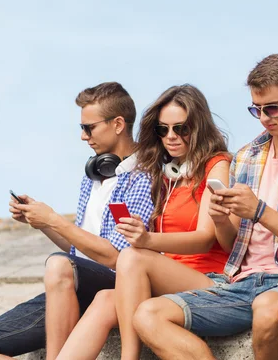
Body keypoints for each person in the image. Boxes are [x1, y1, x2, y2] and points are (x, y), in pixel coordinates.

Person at [129, 53, 278, 360]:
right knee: (147, 315)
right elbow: (233, 243)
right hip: (239, 283)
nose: (263, 117)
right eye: (255, 109)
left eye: (272, 108)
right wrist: (220, 219)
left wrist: (259, 211)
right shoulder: (247, 156)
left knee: (267, 313)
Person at [0, 82, 153, 360]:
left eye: (88, 128)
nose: (83, 136)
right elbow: (78, 249)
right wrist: (42, 222)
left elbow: (116, 257)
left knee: (58, 264)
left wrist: (54, 220)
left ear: (118, 124)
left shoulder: (144, 176)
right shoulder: (93, 175)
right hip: (73, 284)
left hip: (115, 285)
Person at [55, 84, 232, 360]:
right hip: (165, 281)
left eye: (181, 128)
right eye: (163, 129)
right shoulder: (165, 176)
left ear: (198, 128)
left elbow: (206, 236)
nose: (171, 136)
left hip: (209, 279)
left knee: (132, 256)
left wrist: (148, 240)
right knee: (104, 299)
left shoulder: (216, 165)